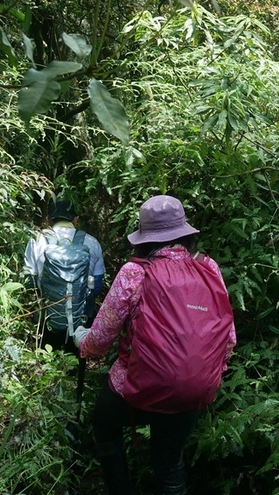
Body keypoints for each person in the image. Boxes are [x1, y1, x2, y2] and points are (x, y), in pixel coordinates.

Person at [75, 195, 236, 495]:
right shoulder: (209, 268)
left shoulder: (135, 272)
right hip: (195, 388)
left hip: (137, 388)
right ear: (184, 234)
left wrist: (83, 343)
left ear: (145, 238)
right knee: (170, 464)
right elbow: (229, 338)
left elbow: (99, 340)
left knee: (104, 425)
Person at [23, 198, 105, 352]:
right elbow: (97, 286)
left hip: (47, 319)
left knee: (46, 360)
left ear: (48, 220)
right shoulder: (92, 242)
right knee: (76, 361)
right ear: (75, 219)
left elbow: (29, 283)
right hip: (80, 321)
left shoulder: (36, 240)